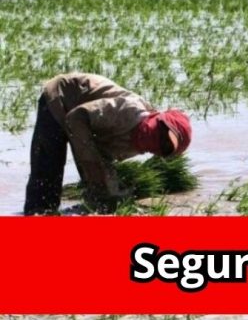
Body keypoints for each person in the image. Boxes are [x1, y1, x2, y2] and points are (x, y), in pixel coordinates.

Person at [24, 73, 192, 215]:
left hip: (86, 124)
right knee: (47, 176)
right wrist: (91, 162)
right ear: (159, 118)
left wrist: (111, 189)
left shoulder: (137, 145)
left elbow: (103, 157)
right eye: (162, 133)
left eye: (166, 146)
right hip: (61, 97)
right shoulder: (129, 112)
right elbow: (76, 117)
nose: (159, 141)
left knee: (98, 189)